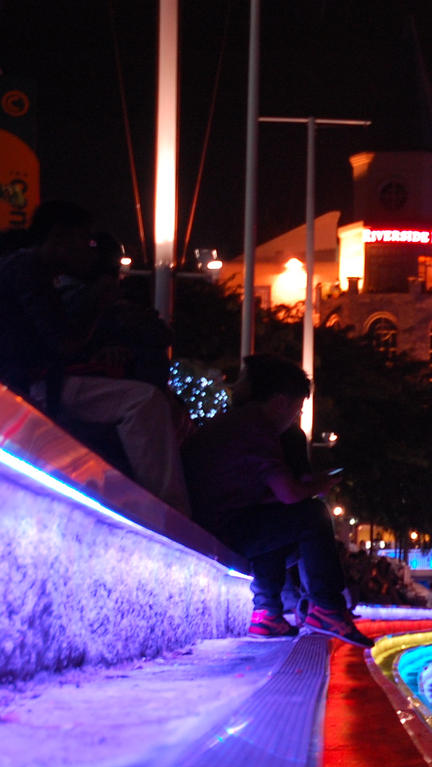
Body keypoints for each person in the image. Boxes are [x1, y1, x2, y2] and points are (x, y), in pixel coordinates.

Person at [0, 202, 190, 512]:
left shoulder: (26, 270)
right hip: (27, 388)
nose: (90, 251)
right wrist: (99, 303)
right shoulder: (28, 271)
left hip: (30, 383)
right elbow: (64, 344)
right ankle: (170, 512)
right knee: (143, 401)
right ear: (60, 238)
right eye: (85, 241)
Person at [182, 355, 372, 647]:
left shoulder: (239, 423)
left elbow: (270, 492)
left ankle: (267, 614)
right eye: (296, 410)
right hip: (221, 527)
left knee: (280, 518)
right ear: (282, 402)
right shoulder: (257, 429)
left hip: (215, 519)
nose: (294, 417)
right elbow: (289, 493)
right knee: (313, 515)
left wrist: (303, 486)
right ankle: (326, 607)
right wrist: (317, 486)